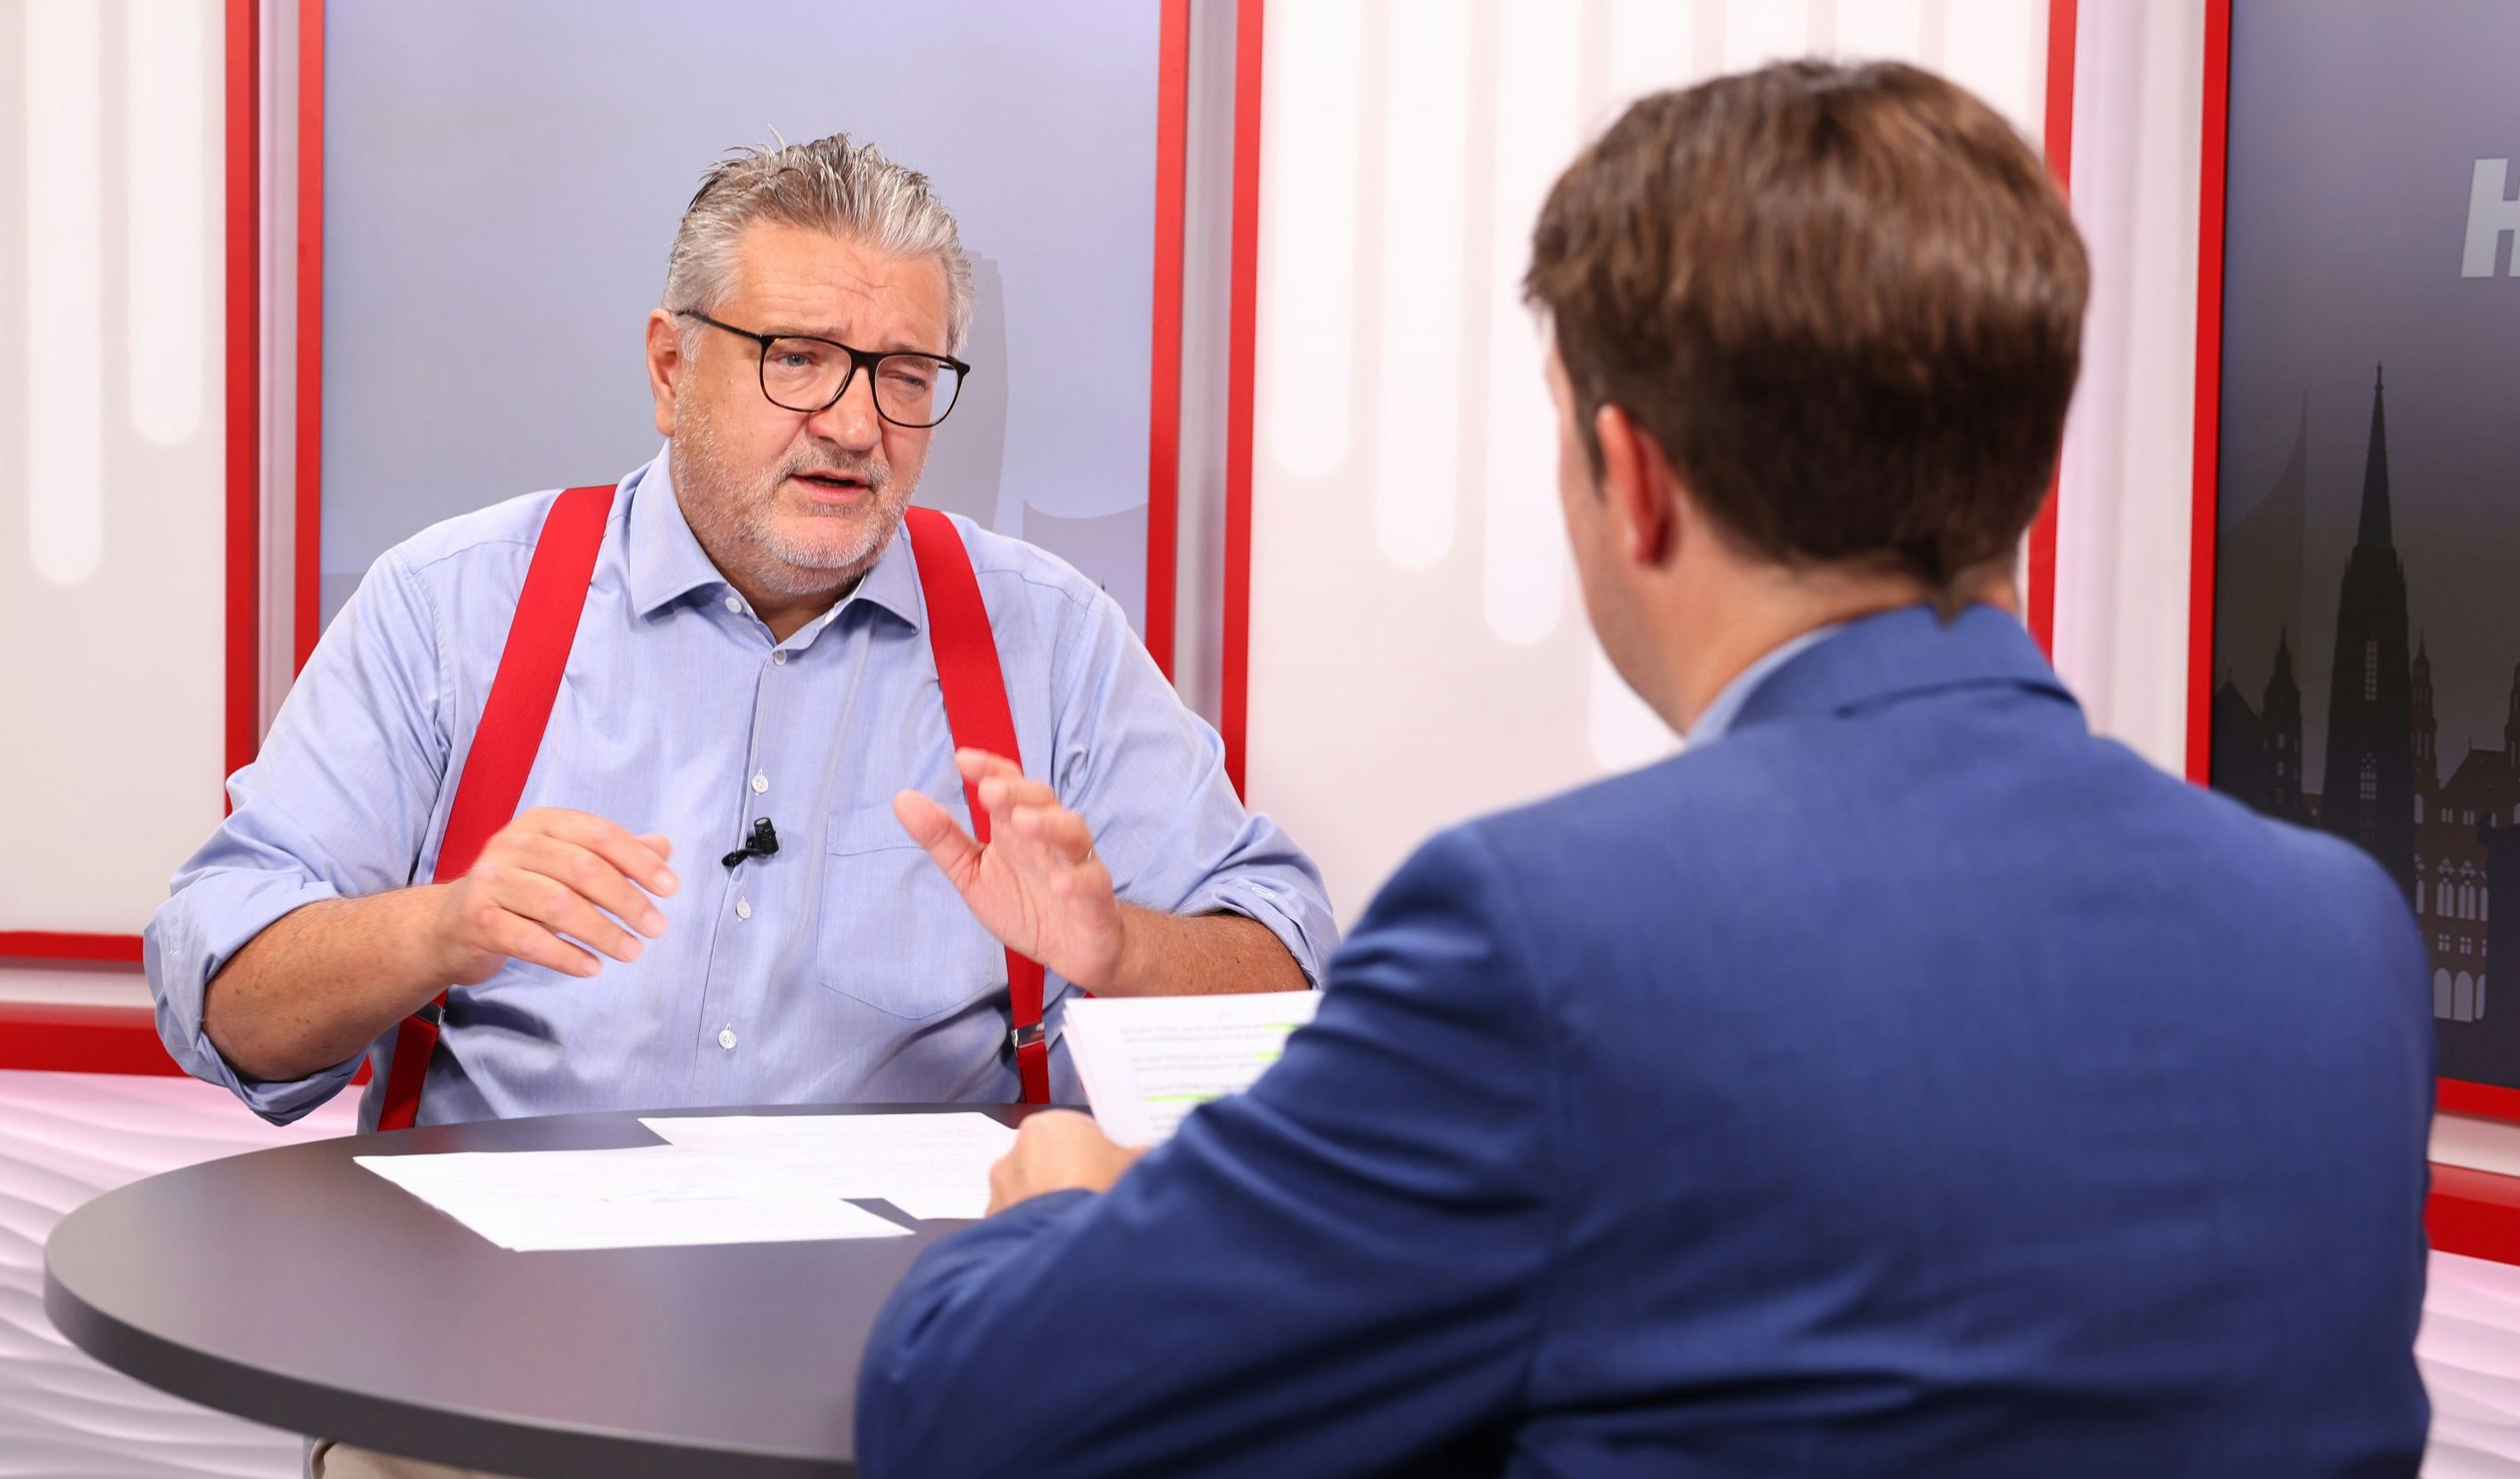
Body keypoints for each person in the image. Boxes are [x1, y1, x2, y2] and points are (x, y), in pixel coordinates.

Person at [855, 60, 2432, 1479]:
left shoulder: (1550, 937)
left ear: (1633, 479)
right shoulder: (2339, 931)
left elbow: (968, 1409)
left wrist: (1063, 1196)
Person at [143, 134, 1333, 1135]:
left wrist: (1115, 946)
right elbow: (219, 989)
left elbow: (1286, 974)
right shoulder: (450, 606)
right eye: (798, 361)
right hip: (492, 1342)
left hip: (913, 1342)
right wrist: (437, 926)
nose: (857, 424)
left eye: (904, 374)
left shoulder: (1051, 638)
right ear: (671, 370)